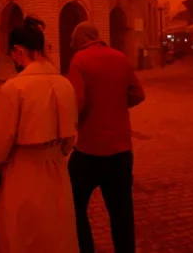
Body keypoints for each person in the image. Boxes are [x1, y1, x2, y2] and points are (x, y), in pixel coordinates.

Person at [0, 16, 80, 253]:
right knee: (56, 237)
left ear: (18, 51)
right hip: (57, 171)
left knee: (23, 238)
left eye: (13, 55)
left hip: (22, 173)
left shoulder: (13, 87)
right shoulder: (65, 84)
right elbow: (70, 138)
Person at [66, 21, 145, 253]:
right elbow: (138, 93)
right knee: (122, 214)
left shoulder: (79, 60)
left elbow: (77, 103)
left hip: (89, 151)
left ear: (81, 40)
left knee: (73, 204)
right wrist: (116, 104)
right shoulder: (120, 57)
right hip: (121, 152)